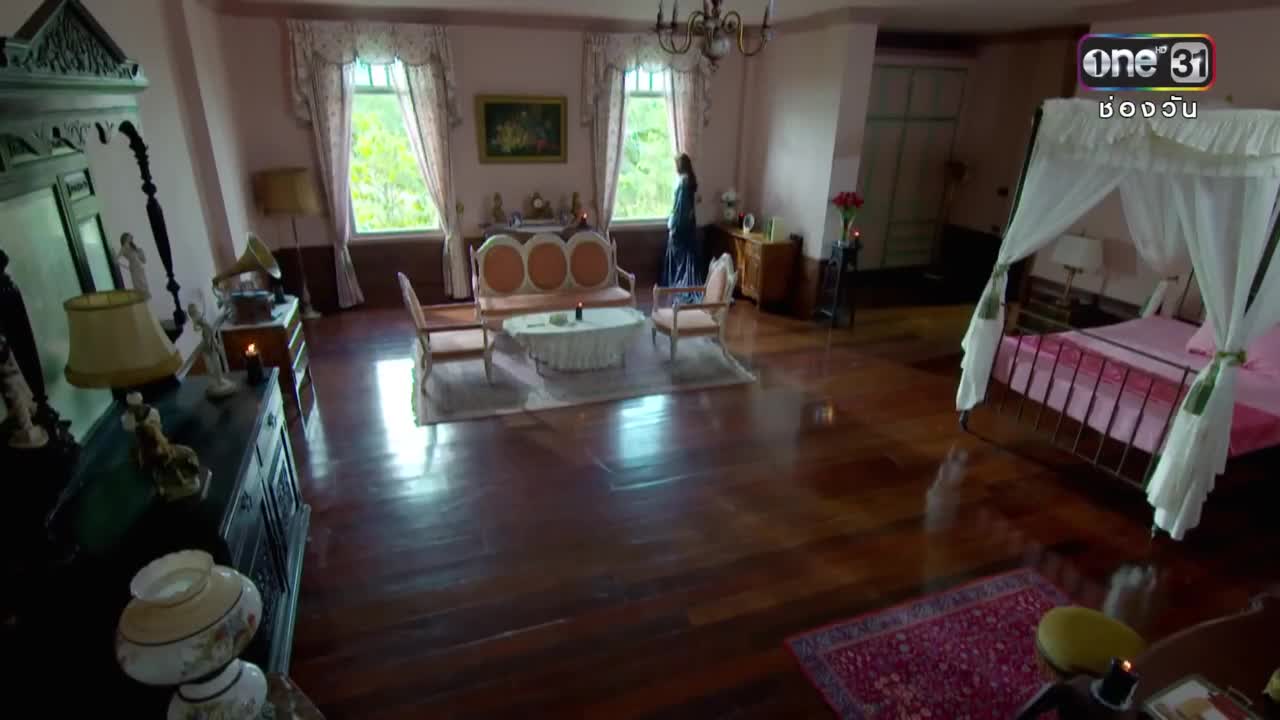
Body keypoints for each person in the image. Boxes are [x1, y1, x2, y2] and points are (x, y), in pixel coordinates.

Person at [661, 153, 702, 299]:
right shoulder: (690, 180)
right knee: (687, 258)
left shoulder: (684, 182)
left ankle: (680, 285)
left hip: (681, 227)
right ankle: (683, 285)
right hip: (689, 226)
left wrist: (674, 227)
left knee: (681, 258)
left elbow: (681, 208)